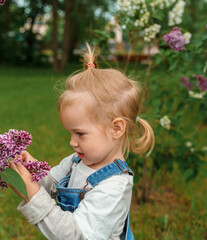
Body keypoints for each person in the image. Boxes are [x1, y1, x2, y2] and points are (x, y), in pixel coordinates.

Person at [9, 44, 155, 240]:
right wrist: (32, 171)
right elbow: (52, 184)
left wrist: (33, 195)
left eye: (80, 133)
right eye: (70, 133)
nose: (72, 142)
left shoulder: (114, 187)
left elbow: (77, 235)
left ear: (116, 129)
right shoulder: (77, 161)